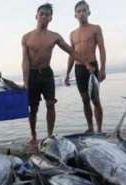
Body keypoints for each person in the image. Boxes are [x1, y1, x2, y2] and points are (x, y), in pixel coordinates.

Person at [22, 3, 73, 150]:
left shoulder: (54, 36)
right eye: (42, 13)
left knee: (50, 104)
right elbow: (25, 61)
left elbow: (71, 51)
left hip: (46, 73)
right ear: (36, 16)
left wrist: (86, 62)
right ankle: (33, 136)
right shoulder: (26, 37)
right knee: (33, 108)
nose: (44, 16)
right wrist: (25, 82)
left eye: (47, 14)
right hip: (32, 74)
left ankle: (50, 135)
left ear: (51, 18)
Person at [65, 1, 106, 133]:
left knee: (95, 99)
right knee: (85, 100)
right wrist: (67, 73)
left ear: (88, 12)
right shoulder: (72, 34)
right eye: (79, 11)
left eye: (84, 10)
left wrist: (102, 68)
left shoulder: (95, 28)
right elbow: (72, 54)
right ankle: (90, 128)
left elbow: (102, 49)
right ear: (75, 15)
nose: (81, 13)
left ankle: (99, 130)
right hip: (79, 69)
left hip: (92, 67)